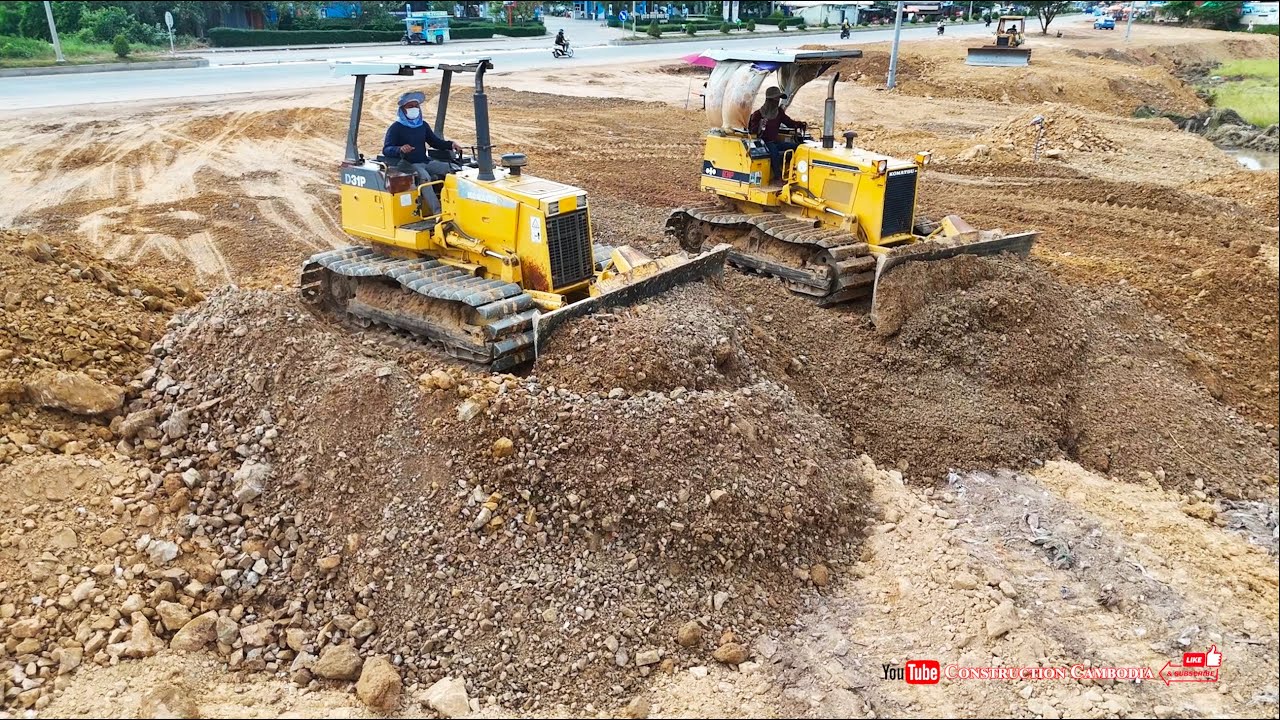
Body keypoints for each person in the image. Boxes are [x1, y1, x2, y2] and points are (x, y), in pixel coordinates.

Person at [382, 91, 463, 216]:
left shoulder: (423, 125)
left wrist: (451, 144)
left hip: (425, 161)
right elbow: (386, 149)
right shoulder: (396, 128)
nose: (414, 108)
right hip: (408, 164)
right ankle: (438, 212)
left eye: (416, 106)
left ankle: (457, 205)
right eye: (410, 106)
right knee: (425, 178)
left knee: (453, 169)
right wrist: (400, 149)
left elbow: (434, 142)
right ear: (402, 110)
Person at [748, 87, 804, 180]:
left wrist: (799, 124)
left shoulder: (779, 112)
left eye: (778, 99)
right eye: (776, 99)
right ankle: (777, 177)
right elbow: (753, 132)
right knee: (775, 153)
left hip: (775, 142)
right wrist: (760, 125)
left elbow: (789, 122)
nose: (777, 101)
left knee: (797, 146)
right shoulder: (758, 115)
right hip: (764, 143)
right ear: (769, 100)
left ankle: (794, 172)